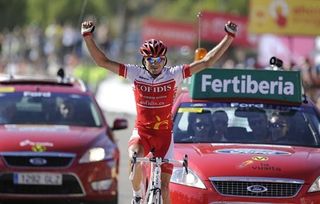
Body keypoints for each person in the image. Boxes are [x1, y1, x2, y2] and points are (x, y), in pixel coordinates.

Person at [81, 20, 237, 204]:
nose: (155, 64)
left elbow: (206, 62)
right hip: (142, 133)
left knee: (164, 188)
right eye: (151, 60)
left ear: (165, 60)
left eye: (159, 60)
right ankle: (138, 195)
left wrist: (228, 37)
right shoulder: (135, 73)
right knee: (135, 159)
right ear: (143, 60)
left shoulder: (174, 74)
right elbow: (102, 62)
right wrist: (87, 36)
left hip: (164, 137)